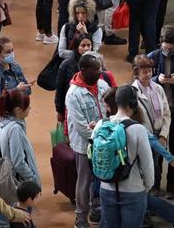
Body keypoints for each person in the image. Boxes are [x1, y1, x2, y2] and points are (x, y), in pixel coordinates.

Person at [65, 53, 111, 228]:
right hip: (85, 146)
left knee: (102, 180)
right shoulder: (73, 94)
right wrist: (102, 136)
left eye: (100, 68)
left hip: (104, 141)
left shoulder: (102, 85)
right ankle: (81, 219)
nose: (100, 72)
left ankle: (97, 210)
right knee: (84, 183)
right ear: (83, 70)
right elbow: (82, 127)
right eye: (96, 69)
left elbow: (111, 111)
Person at [98, 86, 155, 227]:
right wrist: (147, 186)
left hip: (106, 188)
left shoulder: (101, 124)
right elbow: (147, 165)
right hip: (133, 190)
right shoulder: (138, 129)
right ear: (133, 104)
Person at [146, 26, 174, 192]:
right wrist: (158, 79)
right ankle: (156, 184)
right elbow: (144, 81)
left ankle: (172, 184)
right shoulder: (152, 57)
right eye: (166, 48)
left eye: (172, 48)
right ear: (161, 43)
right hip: (158, 113)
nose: (168, 52)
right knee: (157, 148)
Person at [131, 56, 170, 187]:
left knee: (156, 167)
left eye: (150, 71)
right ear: (137, 73)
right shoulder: (133, 92)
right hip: (144, 137)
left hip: (160, 136)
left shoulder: (158, 88)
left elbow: (166, 113)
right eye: (144, 71)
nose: (148, 74)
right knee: (146, 167)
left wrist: (164, 135)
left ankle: (155, 190)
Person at [0, 90, 40, 186]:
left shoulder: (4, 122)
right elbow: (18, 162)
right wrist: (33, 179)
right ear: (18, 110)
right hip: (20, 181)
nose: (30, 108)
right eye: (27, 107)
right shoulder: (14, 128)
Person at [56, 35, 95, 124]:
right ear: (76, 47)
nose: (86, 48)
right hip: (71, 106)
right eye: (83, 45)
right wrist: (59, 111)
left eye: (89, 45)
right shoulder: (66, 65)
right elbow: (60, 90)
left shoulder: (96, 63)